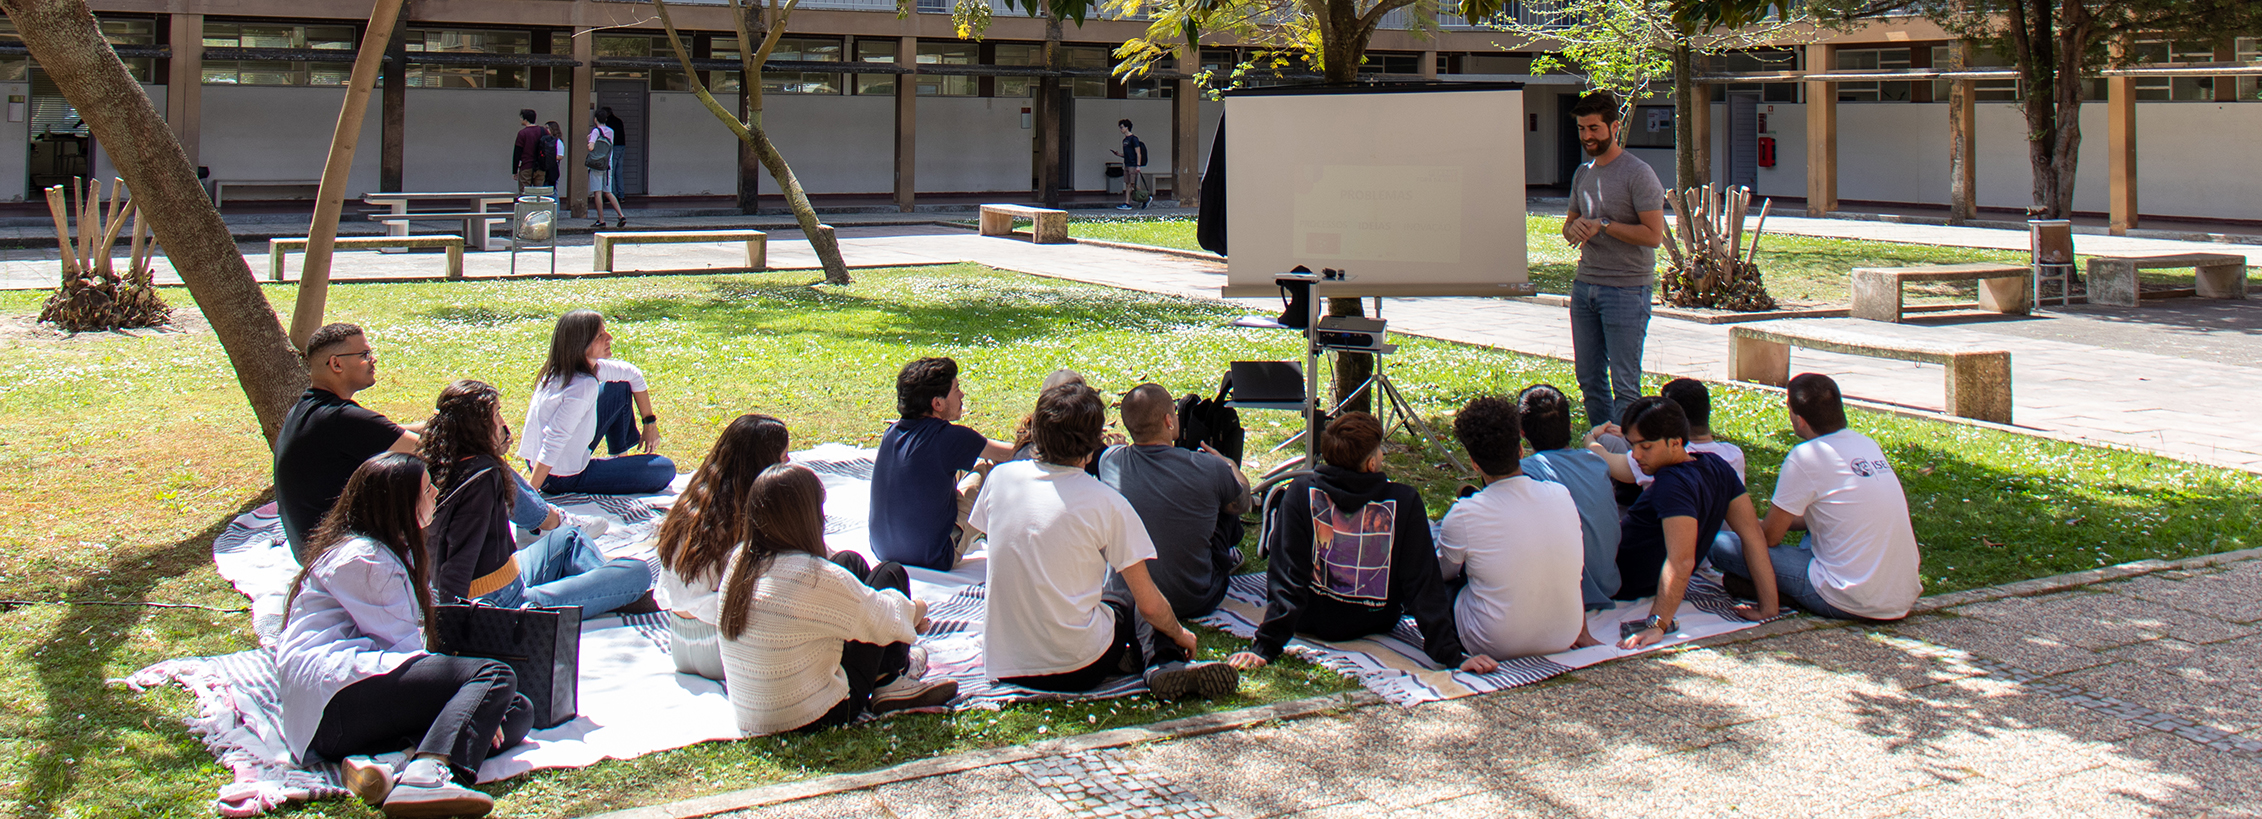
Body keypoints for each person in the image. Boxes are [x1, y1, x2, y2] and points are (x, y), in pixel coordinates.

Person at [277, 452, 530, 818]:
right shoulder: (365, 559)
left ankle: (392, 763)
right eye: (427, 490)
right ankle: (424, 779)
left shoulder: (383, 551)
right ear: (402, 504)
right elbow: (407, 651)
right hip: (334, 703)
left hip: (351, 709)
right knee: (493, 677)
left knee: (517, 708)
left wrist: (473, 706)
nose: (436, 495)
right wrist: (470, 698)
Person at [972, 383, 1240, 698]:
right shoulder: (1105, 501)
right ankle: (1163, 664)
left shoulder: (1001, 479)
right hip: (1077, 668)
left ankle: (1135, 656)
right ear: (1095, 439)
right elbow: (1151, 607)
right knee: (1132, 596)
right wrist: (1180, 634)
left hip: (1005, 664)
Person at [1227, 412, 1499, 675]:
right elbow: (1422, 583)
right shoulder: (1404, 502)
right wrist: (1450, 654)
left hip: (1310, 619)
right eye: (1380, 451)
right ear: (1371, 464)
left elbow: (1288, 575)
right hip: (1375, 619)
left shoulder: (1300, 492)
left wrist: (1265, 646)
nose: (1383, 456)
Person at [717, 463, 958, 734]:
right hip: (815, 716)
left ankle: (886, 679)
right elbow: (885, 619)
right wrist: (917, 611)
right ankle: (892, 679)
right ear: (808, 516)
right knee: (890, 573)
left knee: (849, 561)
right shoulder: (814, 577)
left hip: (755, 717)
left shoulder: (739, 561)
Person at [423, 380, 655, 616]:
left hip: (502, 581)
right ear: (477, 425)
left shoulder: (442, 462)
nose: (503, 423)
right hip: (501, 604)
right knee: (638, 571)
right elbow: (459, 561)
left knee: (569, 537)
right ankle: (616, 594)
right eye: (496, 415)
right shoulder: (482, 479)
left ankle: (611, 594)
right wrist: (450, 624)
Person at [1713, 374, 1923, 621]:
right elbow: (1836, 514)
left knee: (1716, 543)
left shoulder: (1806, 456)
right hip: (1899, 597)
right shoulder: (1866, 443)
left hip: (1848, 596)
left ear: (1799, 420)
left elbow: (1768, 538)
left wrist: (1750, 525)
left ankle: (1787, 594)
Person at [1610, 397, 1778, 650]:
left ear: (1676, 442)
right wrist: (1769, 608)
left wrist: (1657, 625)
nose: (1636, 455)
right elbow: (1753, 534)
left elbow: (1682, 560)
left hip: (1615, 580)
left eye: (1645, 446)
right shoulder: (1718, 466)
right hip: (1637, 578)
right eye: (1632, 445)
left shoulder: (1671, 484)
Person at [1438, 397, 1600, 658]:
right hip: (1565, 634)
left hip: (1493, 643)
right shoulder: (1560, 494)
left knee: (1437, 584)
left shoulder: (1464, 514)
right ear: (1521, 450)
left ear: (1474, 462)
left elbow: (1444, 573)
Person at [654, 413, 793, 680]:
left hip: (681, 643)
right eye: (784, 458)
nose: (788, 464)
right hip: (721, 646)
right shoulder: (751, 509)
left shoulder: (694, 500)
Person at [1097, 383, 1252, 618]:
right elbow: (1242, 503)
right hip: (1193, 599)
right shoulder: (1211, 467)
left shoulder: (1109, 462)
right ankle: (1228, 559)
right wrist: (1229, 465)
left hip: (1128, 597)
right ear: (1169, 421)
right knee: (1225, 504)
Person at [1562, 91, 1667, 431]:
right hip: (1585, 287)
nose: (1587, 136)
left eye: (1594, 128)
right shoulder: (1583, 174)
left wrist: (1604, 225)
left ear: (1614, 127)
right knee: (1589, 380)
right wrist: (1573, 228)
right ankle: (1603, 448)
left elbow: (1654, 235)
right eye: (1581, 129)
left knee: (1624, 384)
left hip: (1626, 289)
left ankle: (1627, 457)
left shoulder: (1638, 173)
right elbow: (1568, 227)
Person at [273, 322, 421, 562]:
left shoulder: (309, 409)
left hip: (310, 550)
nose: (373, 360)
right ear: (336, 364)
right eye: (364, 354)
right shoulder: (343, 419)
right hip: (338, 558)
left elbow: (390, 432)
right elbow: (427, 448)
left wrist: (441, 421)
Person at [868, 357, 1015, 571]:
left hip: (883, 552)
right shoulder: (949, 437)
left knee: (954, 468)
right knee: (989, 470)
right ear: (937, 403)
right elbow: (1013, 454)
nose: (962, 395)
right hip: (936, 556)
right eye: (956, 389)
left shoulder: (891, 433)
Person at [520, 309, 677, 496]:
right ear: (580, 345)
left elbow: (633, 374)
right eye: (600, 335)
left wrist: (649, 423)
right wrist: (531, 494)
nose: (609, 338)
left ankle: (619, 458)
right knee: (664, 469)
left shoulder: (563, 369)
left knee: (620, 386)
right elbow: (554, 440)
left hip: (542, 462)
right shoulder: (582, 386)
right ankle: (617, 468)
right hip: (559, 477)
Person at [1513, 384, 1623, 608]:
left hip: (1570, 597)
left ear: (1522, 433)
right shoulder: (1596, 462)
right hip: (1611, 584)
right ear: (1570, 425)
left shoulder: (1526, 474)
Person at [1592, 378, 1747, 488]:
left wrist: (1590, 438)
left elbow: (1606, 460)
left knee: (1608, 439)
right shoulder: (1734, 454)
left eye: (1645, 446)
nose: (1637, 454)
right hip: (1723, 533)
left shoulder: (1664, 456)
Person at [587, 111, 625, 229]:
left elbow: (591, 146)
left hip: (596, 165)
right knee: (608, 192)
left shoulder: (595, 131)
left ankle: (601, 220)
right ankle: (621, 215)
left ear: (595, 119)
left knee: (597, 192)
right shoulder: (611, 131)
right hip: (607, 164)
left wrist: (589, 140)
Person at [1112, 119, 1149, 210]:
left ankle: (1144, 197)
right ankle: (1128, 202)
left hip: (1133, 164)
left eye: (1122, 127)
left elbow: (1138, 153)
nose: (1120, 129)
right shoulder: (1125, 140)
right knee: (1128, 183)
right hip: (1127, 164)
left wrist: (1138, 165)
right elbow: (1128, 154)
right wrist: (1119, 154)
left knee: (1132, 184)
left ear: (1127, 127)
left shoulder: (1134, 139)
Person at [510, 108, 547, 193]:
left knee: (525, 193)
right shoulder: (543, 131)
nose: (520, 119)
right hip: (541, 167)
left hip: (526, 166)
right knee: (539, 194)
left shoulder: (522, 133)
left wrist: (514, 171)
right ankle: (538, 206)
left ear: (525, 119)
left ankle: (527, 207)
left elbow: (517, 152)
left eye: (521, 117)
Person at [604, 107, 628, 202]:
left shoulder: (608, 123)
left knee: (611, 172)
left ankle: (612, 195)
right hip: (622, 146)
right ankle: (621, 195)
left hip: (614, 147)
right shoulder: (619, 121)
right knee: (619, 172)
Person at [541, 121, 566, 188]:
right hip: (545, 167)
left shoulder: (558, 141)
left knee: (552, 190)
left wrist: (549, 157)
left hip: (552, 168)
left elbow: (560, 156)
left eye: (547, 128)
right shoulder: (545, 141)